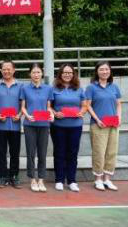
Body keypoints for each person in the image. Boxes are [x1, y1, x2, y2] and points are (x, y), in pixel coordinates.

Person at [49, 64, 86, 192]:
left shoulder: (79, 89)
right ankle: (59, 180)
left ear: (73, 74)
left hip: (75, 126)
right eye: (64, 72)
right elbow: (48, 106)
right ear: (60, 74)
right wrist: (55, 113)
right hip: (58, 126)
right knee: (59, 152)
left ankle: (71, 180)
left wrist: (81, 112)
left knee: (72, 153)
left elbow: (84, 105)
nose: (67, 74)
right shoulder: (54, 89)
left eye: (70, 72)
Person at [86, 61, 122, 191]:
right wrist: (97, 119)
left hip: (113, 124)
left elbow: (118, 104)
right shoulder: (91, 88)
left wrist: (119, 118)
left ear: (110, 71)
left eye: (106, 69)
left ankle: (107, 179)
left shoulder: (114, 87)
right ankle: (98, 179)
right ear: (97, 71)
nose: (104, 72)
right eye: (101, 69)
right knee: (99, 152)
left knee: (111, 152)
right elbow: (88, 105)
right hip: (98, 125)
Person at [20, 63, 54, 192]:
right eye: (34, 72)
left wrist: (51, 115)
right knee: (30, 153)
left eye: (38, 72)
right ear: (30, 74)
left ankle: (41, 179)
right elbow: (23, 107)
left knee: (42, 153)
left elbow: (48, 107)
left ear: (42, 73)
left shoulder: (48, 89)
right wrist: (27, 115)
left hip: (44, 125)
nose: (36, 75)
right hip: (30, 125)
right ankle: (32, 179)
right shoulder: (25, 88)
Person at [0, 60, 23, 189]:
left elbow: (23, 104)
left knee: (15, 152)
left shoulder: (20, 86)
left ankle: (14, 176)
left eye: (9, 69)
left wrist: (20, 115)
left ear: (14, 70)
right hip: (0, 124)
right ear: (1, 71)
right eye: (4, 69)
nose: (6, 71)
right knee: (1, 152)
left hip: (15, 125)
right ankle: (3, 176)